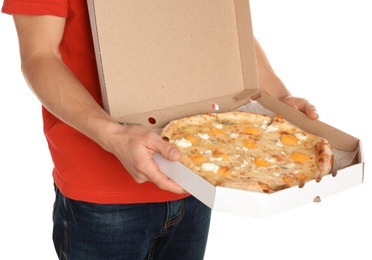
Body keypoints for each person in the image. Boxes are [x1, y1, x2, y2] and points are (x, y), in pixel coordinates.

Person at [2, 0, 319, 259]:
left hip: (195, 173)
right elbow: (39, 55)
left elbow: (224, 29)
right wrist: (113, 134)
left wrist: (278, 98)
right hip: (103, 193)